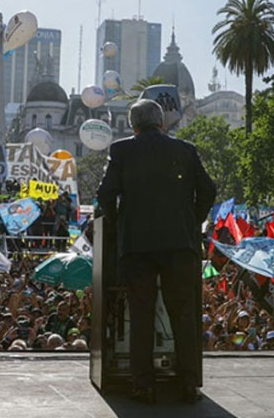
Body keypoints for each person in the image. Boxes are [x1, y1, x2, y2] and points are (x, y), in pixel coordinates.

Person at [96, 99, 216, 404]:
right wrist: (192, 221)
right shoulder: (185, 150)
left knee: (141, 315)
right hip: (179, 246)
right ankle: (189, 384)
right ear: (161, 123)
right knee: (183, 314)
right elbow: (208, 190)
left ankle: (143, 385)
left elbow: (105, 194)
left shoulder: (122, 150)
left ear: (133, 125)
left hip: (138, 247)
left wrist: (115, 225)